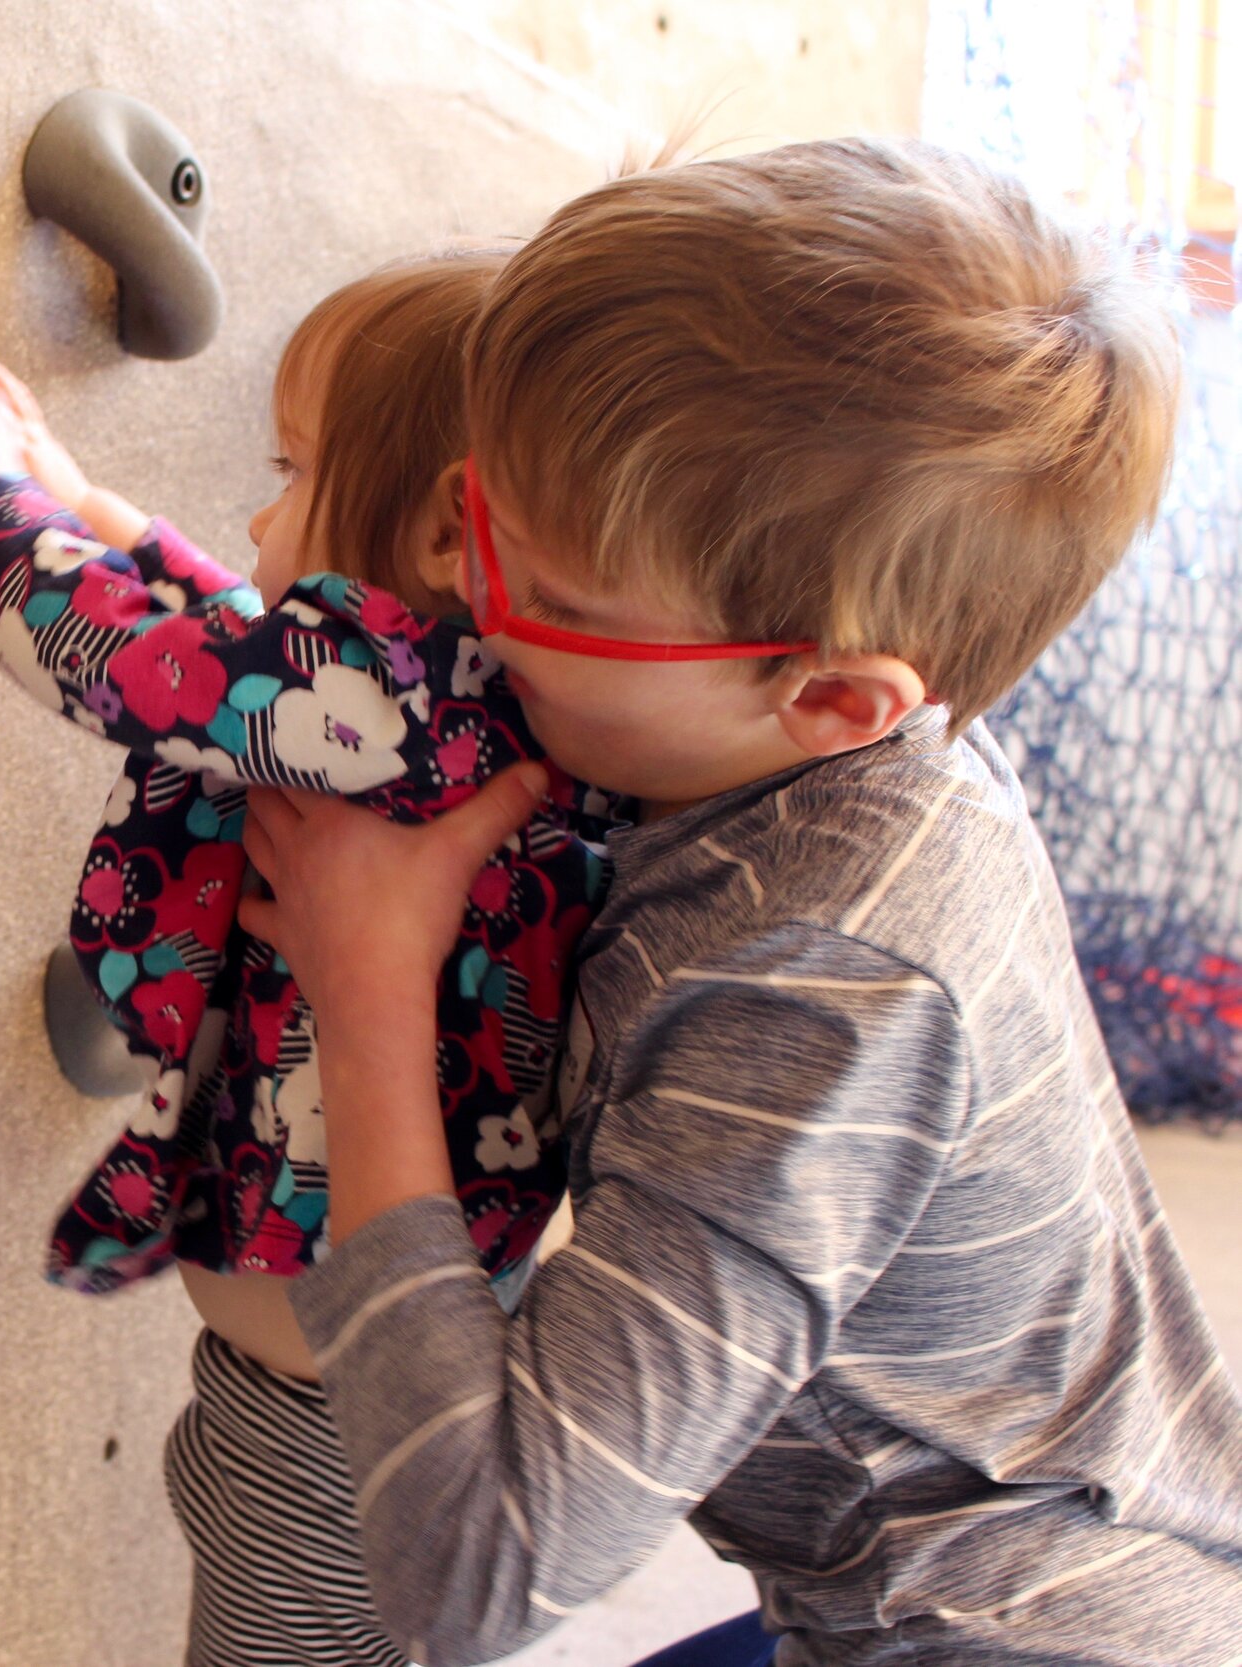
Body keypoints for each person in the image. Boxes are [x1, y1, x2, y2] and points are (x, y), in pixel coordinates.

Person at [227, 138, 1242, 1665]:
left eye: (551, 597)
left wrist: (368, 988)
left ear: (834, 697)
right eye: (471, 499)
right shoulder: (809, 739)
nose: (456, 570)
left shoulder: (812, 991)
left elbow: (476, 1575)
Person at [0, 251, 621, 1663]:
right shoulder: (449, 706)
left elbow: (144, 668)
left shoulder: (388, 708)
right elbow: (244, 646)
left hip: (326, 1440)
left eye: (292, 470)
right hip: (315, 1399)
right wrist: (81, 499)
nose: (260, 505)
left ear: (438, 541)